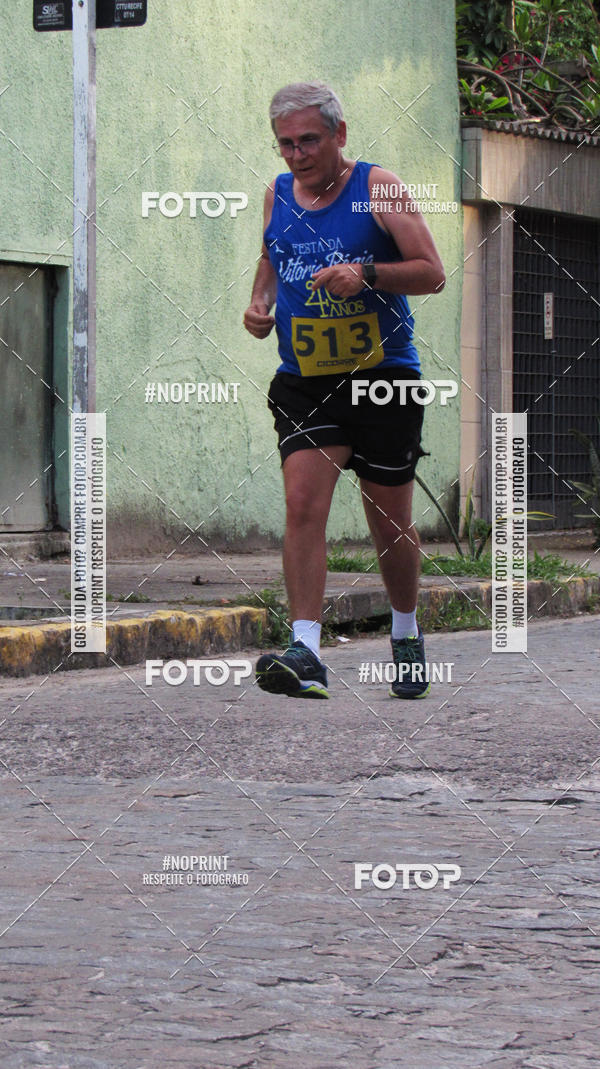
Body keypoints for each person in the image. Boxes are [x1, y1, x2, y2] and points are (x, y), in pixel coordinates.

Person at [243, 81, 446, 700]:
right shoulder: (278, 194)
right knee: (304, 505)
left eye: (309, 139)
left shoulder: (376, 188)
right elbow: (272, 257)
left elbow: (432, 273)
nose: (297, 153)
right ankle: (305, 649)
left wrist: (367, 274)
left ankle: (406, 633)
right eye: (286, 144)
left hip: (383, 377)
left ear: (339, 135)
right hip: (306, 382)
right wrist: (259, 303)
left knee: (389, 520)